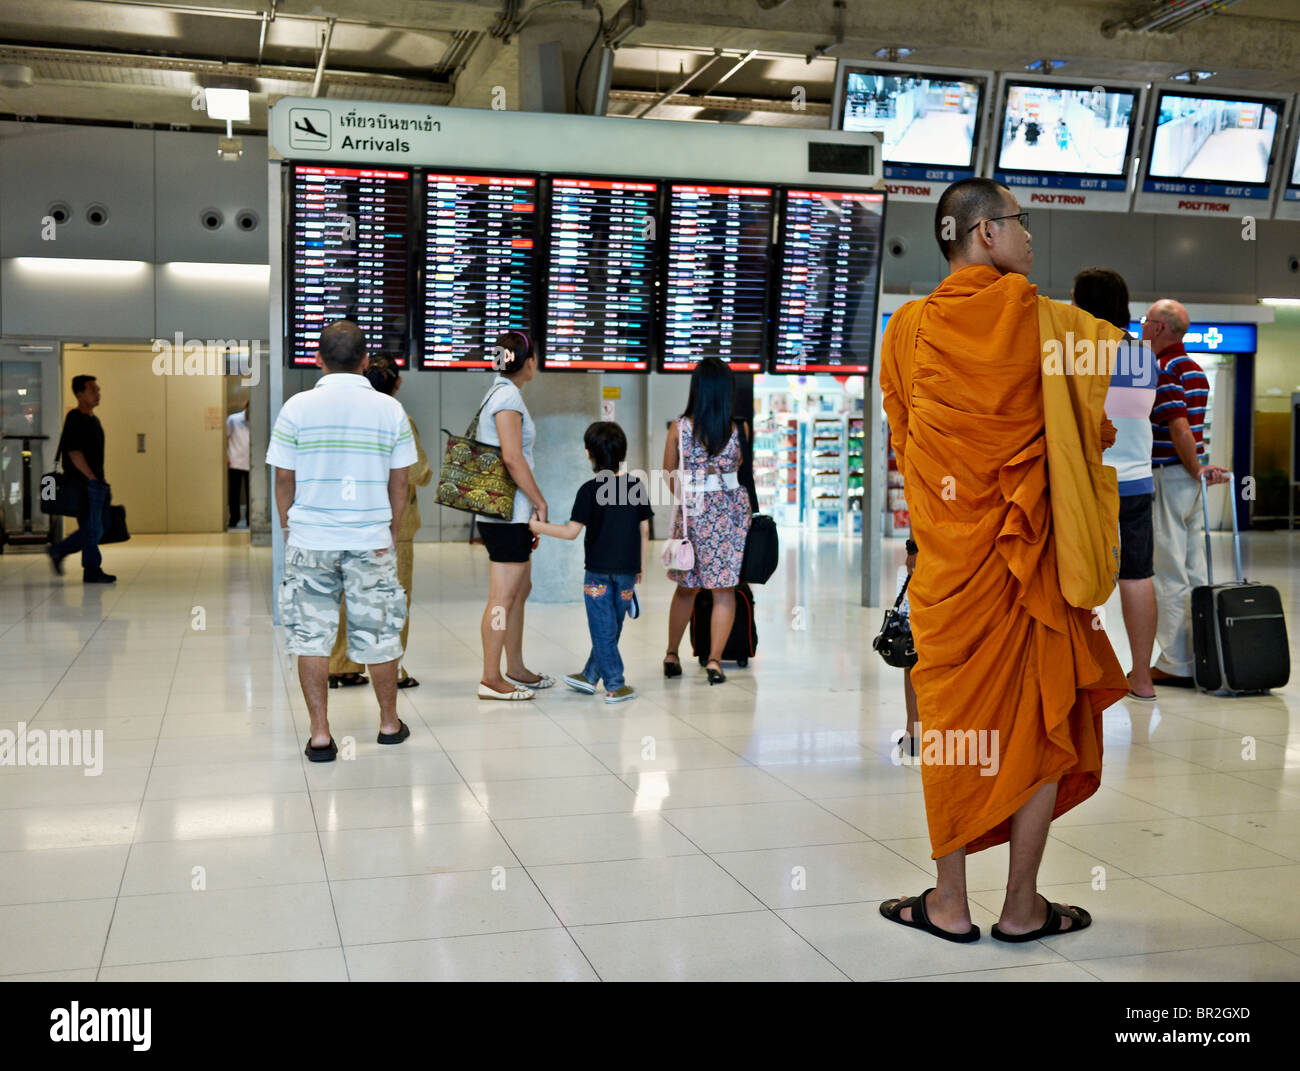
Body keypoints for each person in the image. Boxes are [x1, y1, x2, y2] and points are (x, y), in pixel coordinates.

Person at [877, 177, 1128, 944]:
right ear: (982, 232)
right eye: (1019, 223)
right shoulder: (1052, 325)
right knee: (1045, 720)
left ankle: (948, 902)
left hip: (948, 577)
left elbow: (904, 447)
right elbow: (1116, 412)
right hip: (1031, 573)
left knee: (949, 727)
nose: (1029, 238)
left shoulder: (908, 330)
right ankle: (1023, 906)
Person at [266, 321, 416, 762]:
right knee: (381, 631)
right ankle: (389, 724)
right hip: (370, 537)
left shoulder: (296, 407)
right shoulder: (390, 410)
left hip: (310, 538)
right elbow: (401, 481)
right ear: (366, 361)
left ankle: (319, 735)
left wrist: (288, 527)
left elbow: (284, 478)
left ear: (317, 359)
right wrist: (389, 529)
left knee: (311, 637)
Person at [1071, 268, 1160, 700]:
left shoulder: (1079, 351)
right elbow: (1138, 413)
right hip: (1138, 480)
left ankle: (1084, 674)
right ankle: (1141, 679)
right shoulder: (1144, 355)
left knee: (1082, 576)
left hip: (1091, 483)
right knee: (1138, 575)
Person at [327, 357, 432, 690]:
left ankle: (342, 664)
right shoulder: (398, 417)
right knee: (393, 597)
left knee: (349, 594)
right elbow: (417, 472)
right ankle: (392, 668)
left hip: (350, 518)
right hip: (393, 526)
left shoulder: (344, 418)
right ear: (397, 384)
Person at [529, 421, 651, 704]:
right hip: (627, 573)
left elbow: (571, 532)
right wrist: (640, 567)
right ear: (623, 451)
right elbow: (643, 530)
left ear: (588, 455)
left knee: (603, 628)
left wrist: (535, 527)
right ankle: (589, 675)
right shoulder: (636, 486)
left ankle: (616, 684)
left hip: (597, 574)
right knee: (611, 627)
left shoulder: (589, 490)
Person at [1143, 299, 1230, 688]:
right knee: (1194, 571)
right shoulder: (1194, 369)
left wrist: (1194, 468)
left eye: (1146, 322)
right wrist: (1198, 471)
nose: (1143, 328)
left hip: (1169, 476)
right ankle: (1199, 656)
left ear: (1160, 328)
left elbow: (1178, 427)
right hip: (1190, 483)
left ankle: (1175, 663)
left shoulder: (1164, 368)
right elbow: (1192, 429)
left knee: (1168, 572)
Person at [662, 356, 752, 685]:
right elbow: (738, 468)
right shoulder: (737, 428)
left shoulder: (679, 427)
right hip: (729, 516)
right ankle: (714, 662)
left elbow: (669, 473)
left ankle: (672, 655)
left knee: (686, 588)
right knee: (723, 591)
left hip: (692, 515)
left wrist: (689, 498)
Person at [475, 330, 553, 700]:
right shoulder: (507, 397)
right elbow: (512, 456)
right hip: (506, 513)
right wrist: (539, 499)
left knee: (519, 591)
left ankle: (516, 667)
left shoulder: (503, 393)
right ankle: (491, 677)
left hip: (510, 515)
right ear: (529, 361)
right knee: (502, 598)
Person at [47, 374, 115, 584]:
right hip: (84, 484)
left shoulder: (93, 419)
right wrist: (92, 479)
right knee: (93, 527)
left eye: (98, 390)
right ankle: (60, 551)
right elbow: (74, 453)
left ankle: (91, 568)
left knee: (95, 526)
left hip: (95, 482)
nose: (98, 394)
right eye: (93, 390)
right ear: (79, 394)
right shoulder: (75, 418)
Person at [226, 400, 250, 528]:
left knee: (250, 492)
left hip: (250, 463)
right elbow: (225, 437)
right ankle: (234, 519)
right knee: (234, 493)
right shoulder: (233, 419)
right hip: (234, 460)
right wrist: (226, 456)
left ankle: (250, 520)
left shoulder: (256, 420)